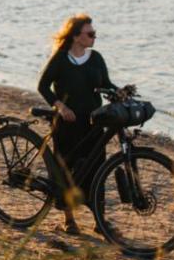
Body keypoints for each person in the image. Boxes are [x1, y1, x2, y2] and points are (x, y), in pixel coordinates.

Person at [36, 13, 117, 234]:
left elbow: (106, 84)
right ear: (75, 36)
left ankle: (99, 222)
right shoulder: (61, 59)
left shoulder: (96, 58)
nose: (94, 37)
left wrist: (119, 92)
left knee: (97, 169)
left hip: (92, 123)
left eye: (95, 33)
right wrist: (61, 107)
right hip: (67, 124)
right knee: (66, 169)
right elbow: (43, 86)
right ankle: (69, 220)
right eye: (90, 33)